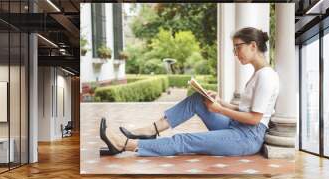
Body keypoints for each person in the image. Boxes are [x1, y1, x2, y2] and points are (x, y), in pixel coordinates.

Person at [99, 27, 280, 157]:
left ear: (253, 46)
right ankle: (151, 129)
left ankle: (125, 145)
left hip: (247, 138)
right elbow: (245, 110)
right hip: (237, 127)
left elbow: (255, 119)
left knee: (185, 140)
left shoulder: (266, 76)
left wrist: (219, 109)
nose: (235, 52)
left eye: (237, 47)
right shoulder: (258, 74)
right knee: (198, 99)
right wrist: (222, 102)